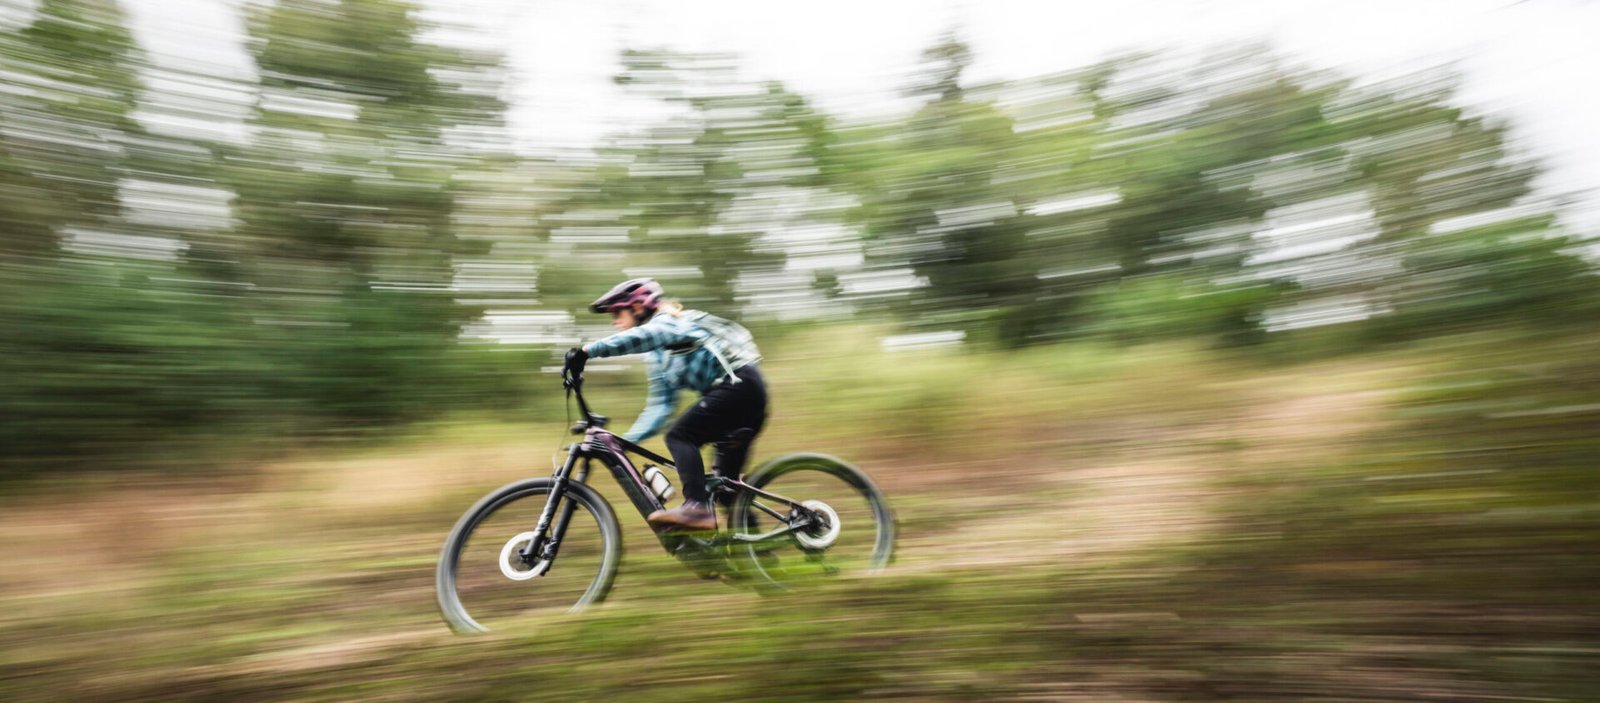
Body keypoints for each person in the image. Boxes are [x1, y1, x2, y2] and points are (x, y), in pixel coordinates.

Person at [563, 279, 767, 531]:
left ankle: (697, 509)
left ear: (638, 307)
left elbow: (648, 335)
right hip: (738, 399)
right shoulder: (659, 357)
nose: (614, 320)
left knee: (680, 436)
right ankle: (757, 555)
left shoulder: (670, 322)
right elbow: (661, 407)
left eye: (617, 312)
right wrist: (625, 443)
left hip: (740, 386)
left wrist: (587, 351)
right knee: (726, 488)